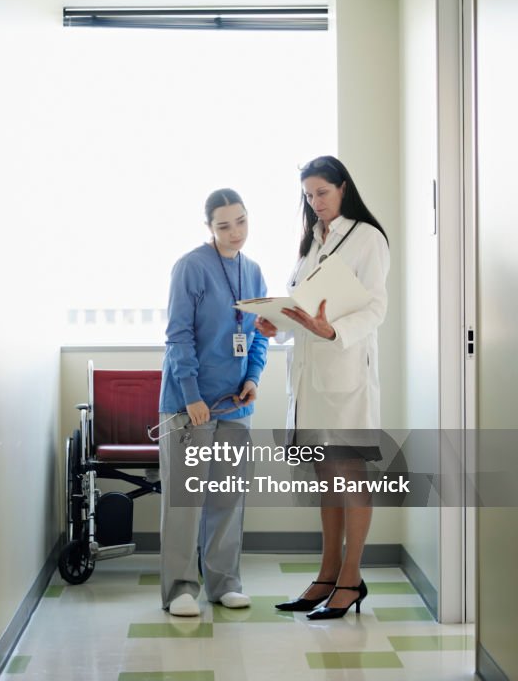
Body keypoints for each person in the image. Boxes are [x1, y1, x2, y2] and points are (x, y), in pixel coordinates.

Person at [256, 156, 389, 620]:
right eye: (309, 196)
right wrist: (279, 326)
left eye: (322, 193)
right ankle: (327, 575)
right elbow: (306, 313)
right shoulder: (311, 242)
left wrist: (332, 333)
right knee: (327, 481)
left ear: (343, 188)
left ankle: (351, 579)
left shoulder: (367, 238)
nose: (315, 203)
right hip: (310, 380)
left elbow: (374, 309)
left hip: (346, 377)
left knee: (349, 477)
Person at [158, 189, 268, 617]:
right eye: (224, 225)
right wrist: (191, 397)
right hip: (191, 406)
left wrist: (254, 378)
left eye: (241, 221)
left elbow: (259, 333)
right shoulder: (190, 268)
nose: (235, 232)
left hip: (235, 404)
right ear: (209, 228)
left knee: (226, 498)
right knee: (187, 501)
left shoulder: (254, 272)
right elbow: (178, 336)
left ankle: (224, 583)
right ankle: (180, 589)